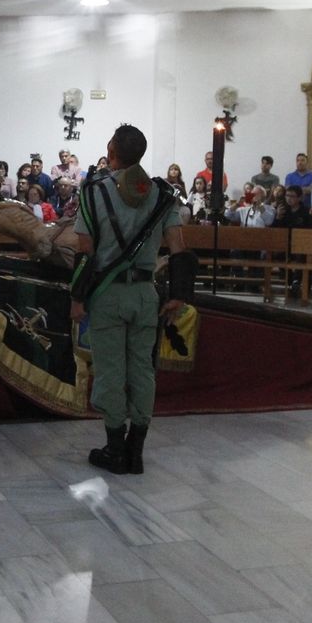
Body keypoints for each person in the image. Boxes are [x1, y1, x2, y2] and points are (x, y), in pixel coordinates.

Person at [70, 123, 188, 476]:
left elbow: (85, 254)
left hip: (108, 295)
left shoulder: (93, 192)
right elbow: (179, 247)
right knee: (142, 370)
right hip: (145, 293)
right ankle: (136, 452)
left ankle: (114, 448)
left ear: (111, 151)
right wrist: (179, 294)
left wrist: (77, 299)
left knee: (110, 370)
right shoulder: (162, 195)